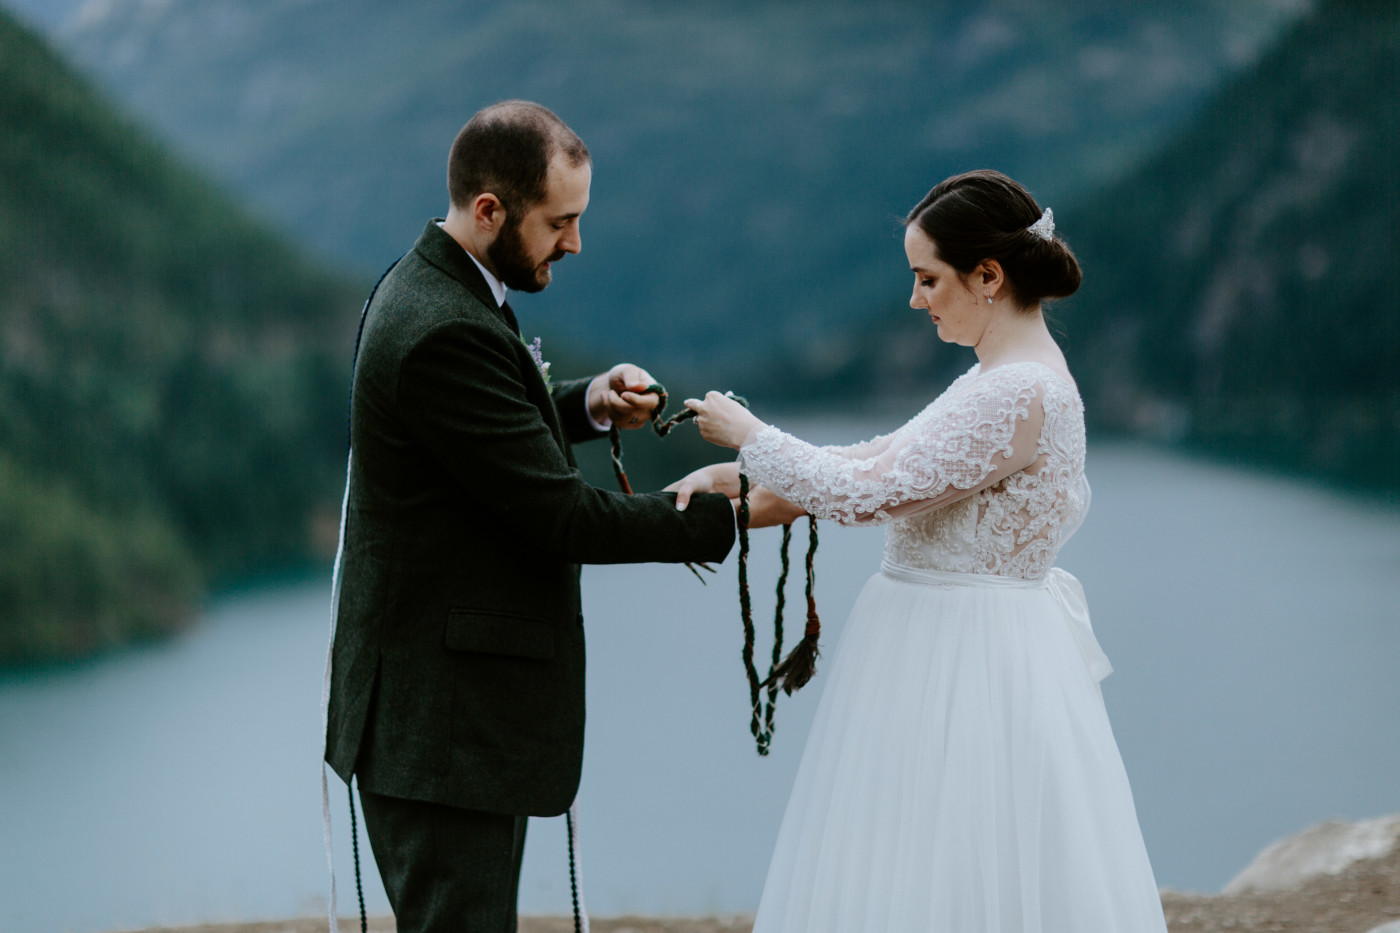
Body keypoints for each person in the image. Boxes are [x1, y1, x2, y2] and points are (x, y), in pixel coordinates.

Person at [673, 170, 1168, 931]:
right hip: (957, 645)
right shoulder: (1000, 380)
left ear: (989, 276)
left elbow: (872, 494)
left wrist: (753, 436)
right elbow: (885, 461)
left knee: (945, 864)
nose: (916, 299)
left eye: (927, 278)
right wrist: (744, 482)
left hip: (965, 660)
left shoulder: (1015, 392)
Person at [322, 100, 736, 933]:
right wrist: (721, 512)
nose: (575, 243)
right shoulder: (441, 325)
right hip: (439, 730)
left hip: (440, 721)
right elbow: (560, 516)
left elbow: (482, 437)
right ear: (489, 210)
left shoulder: (435, 283)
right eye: (562, 221)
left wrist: (585, 405)